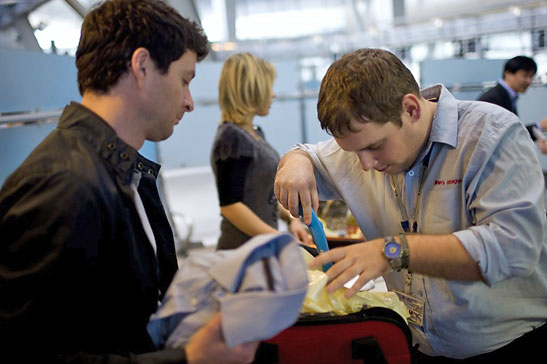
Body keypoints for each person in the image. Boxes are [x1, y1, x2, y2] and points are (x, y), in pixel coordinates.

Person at [0, 1, 257, 363]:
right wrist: (190, 359)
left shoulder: (118, 171)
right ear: (142, 67)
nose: (188, 102)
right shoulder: (65, 183)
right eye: (184, 80)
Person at [275, 48, 547, 362]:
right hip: (418, 345)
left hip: (506, 344)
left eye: (375, 147)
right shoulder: (365, 148)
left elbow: (513, 247)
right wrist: (295, 162)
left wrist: (391, 251)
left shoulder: (491, 136)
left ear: (411, 109)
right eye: (353, 152)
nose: (365, 165)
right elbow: (308, 154)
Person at [210, 52, 310, 250]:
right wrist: (277, 237)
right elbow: (231, 206)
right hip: (241, 251)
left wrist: (291, 220)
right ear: (251, 90)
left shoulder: (253, 133)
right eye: (268, 87)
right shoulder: (231, 138)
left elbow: (264, 194)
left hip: (260, 247)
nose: (273, 94)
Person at [477, 55, 547, 152]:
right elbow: (506, 137)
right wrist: (538, 126)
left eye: (531, 77)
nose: (529, 81)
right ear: (508, 74)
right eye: (525, 75)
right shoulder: (494, 99)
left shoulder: (506, 96)